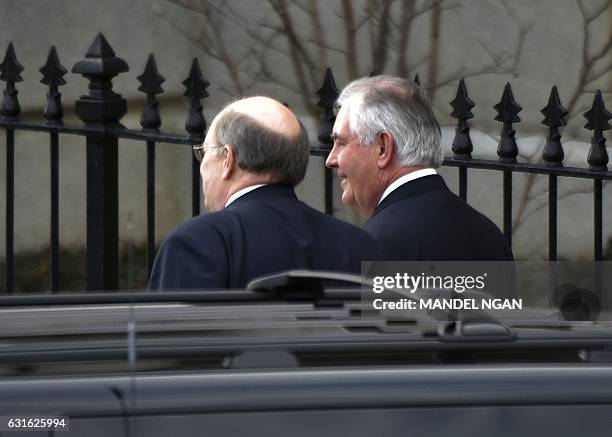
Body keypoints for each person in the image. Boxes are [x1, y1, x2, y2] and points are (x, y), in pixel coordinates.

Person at [149, 96, 383, 290]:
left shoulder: (196, 242)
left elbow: (165, 340)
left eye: (204, 152)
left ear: (227, 160)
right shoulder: (361, 245)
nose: (201, 166)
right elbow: (393, 339)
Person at [325, 75, 513, 262]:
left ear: (383, 147)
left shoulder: (375, 246)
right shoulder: (490, 236)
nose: (330, 160)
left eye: (341, 143)